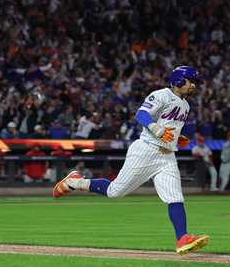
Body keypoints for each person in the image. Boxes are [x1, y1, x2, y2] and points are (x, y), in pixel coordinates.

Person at [52, 65, 209, 255]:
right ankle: (74, 182)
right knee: (114, 191)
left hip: (167, 156)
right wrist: (156, 129)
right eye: (191, 81)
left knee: (175, 197)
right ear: (179, 81)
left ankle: (182, 238)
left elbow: (169, 125)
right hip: (145, 151)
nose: (194, 85)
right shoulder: (161, 95)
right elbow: (141, 114)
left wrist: (178, 136)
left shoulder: (185, 104)